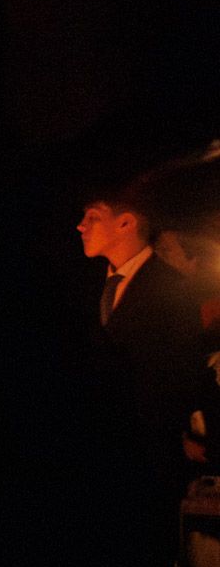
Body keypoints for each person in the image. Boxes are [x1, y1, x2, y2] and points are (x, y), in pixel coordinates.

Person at [77, 181, 204, 478]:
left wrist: (179, 434)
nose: (80, 226)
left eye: (93, 217)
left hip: (149, 457)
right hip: (96, 452)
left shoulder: (171, 288)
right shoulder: (86, 285)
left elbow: (182, 371)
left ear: (125, 223)